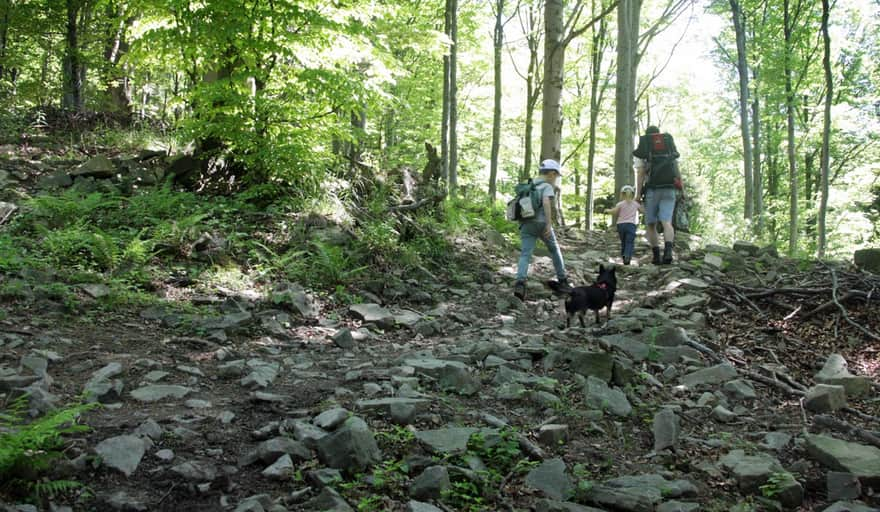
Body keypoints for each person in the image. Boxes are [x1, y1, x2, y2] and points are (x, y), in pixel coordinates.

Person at [514, 159, 568, 300]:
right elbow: (546, 203)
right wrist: (549, 224)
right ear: (551, 173)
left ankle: (520, 283)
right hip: (542, 223)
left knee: (525, 254)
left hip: (526, 224)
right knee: (554, 249)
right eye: (556, 176)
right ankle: (563, 281)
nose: (556, 179)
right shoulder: (547, 186)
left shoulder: (528, 186)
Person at [633, 126, 684, 264]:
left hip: (652, 190)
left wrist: (637, 195)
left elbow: (641, 173)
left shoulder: (645, 150)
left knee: (651, 224)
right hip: (669, 189)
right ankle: (668, 252)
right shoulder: (669, 149)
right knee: (667, 222)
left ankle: (656, 255)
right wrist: (682, 190)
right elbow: (677, 171)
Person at [605, 185, 644, 265]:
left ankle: (624, 256)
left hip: (621, 225)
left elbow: (614, 212)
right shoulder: (636, 204)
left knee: (623, 241)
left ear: (622, 194)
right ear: (633, 194)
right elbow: (643, 211)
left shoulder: (620, 204)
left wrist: (608, 210)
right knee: (629, 242)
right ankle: (627, 256)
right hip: (631, 225)